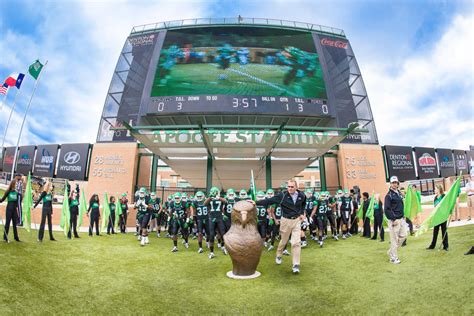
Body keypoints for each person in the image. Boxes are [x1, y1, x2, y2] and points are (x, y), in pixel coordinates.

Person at [256, 179, 306, 274]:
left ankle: (296, 265)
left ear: (296, 187)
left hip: (296, 221)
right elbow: (269, 201)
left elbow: (303, 204)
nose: (290, 188)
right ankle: (279, 254)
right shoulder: (282, 195)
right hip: (285, 221)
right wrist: (255, 203)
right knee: (284, 241)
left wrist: (302, 213)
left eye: (292, 187)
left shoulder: (302, 195)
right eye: (289, 187)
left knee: (296, 243)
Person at [384, 176, 407, 264]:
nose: (395, 184)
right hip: (394, 221)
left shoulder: (399, 193)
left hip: (401, 219)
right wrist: (393, 219)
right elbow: (387, 209)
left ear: (398, 183)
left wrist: (403, 216)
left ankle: (391, 251)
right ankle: (393, 258)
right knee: (394, 240)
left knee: (404, 236)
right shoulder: (388, 195)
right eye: (393, 183)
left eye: (396, 182)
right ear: (390, 184)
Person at [204, 187, 228, 258]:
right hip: (212, 218)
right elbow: (204, 203)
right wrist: (211, 197)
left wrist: (218, 197)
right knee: (211, 235)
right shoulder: (209, 198)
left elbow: (226, 201)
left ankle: (223, 247)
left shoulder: (220, 198)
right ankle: (211, 252)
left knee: (223, 234)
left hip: (219, 218)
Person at [427, 185, 448, 251]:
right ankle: (432, 246)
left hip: (443, 217)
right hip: (436, 217)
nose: (434, 190)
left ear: (439, 189)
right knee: (435, 232)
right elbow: (435, 207)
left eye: (435, 189)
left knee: (444, 231)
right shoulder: (435, 197)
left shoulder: (443, 196)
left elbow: (446, 205)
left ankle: (445, 246)